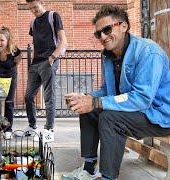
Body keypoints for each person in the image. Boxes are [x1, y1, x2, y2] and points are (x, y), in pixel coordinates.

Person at [62, 5, 170, 180]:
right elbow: (108, 91)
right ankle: (88, 169)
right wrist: (86, 98)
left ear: (124, 26)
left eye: (107, 29)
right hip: (137, 111)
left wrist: (96, 102)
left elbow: (142, 98)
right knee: (89, 109)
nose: (103, 37)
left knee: (110, 118)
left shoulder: (148, 52)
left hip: (159, 115)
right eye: (98, 34)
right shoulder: (108, 56)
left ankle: (108, 177)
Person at [23, 0, 68, 142]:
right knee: (28, 96)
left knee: (49, 97)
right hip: (35, 64)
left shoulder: (53, 16)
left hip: (49, 61)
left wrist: (53, 57)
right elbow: (37, 43)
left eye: (35, 7)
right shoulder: (33, 23)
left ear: (42, 3)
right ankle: (32, 126)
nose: (34, 10)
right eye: (31, 8)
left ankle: (49, 130)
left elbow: (63, 41)